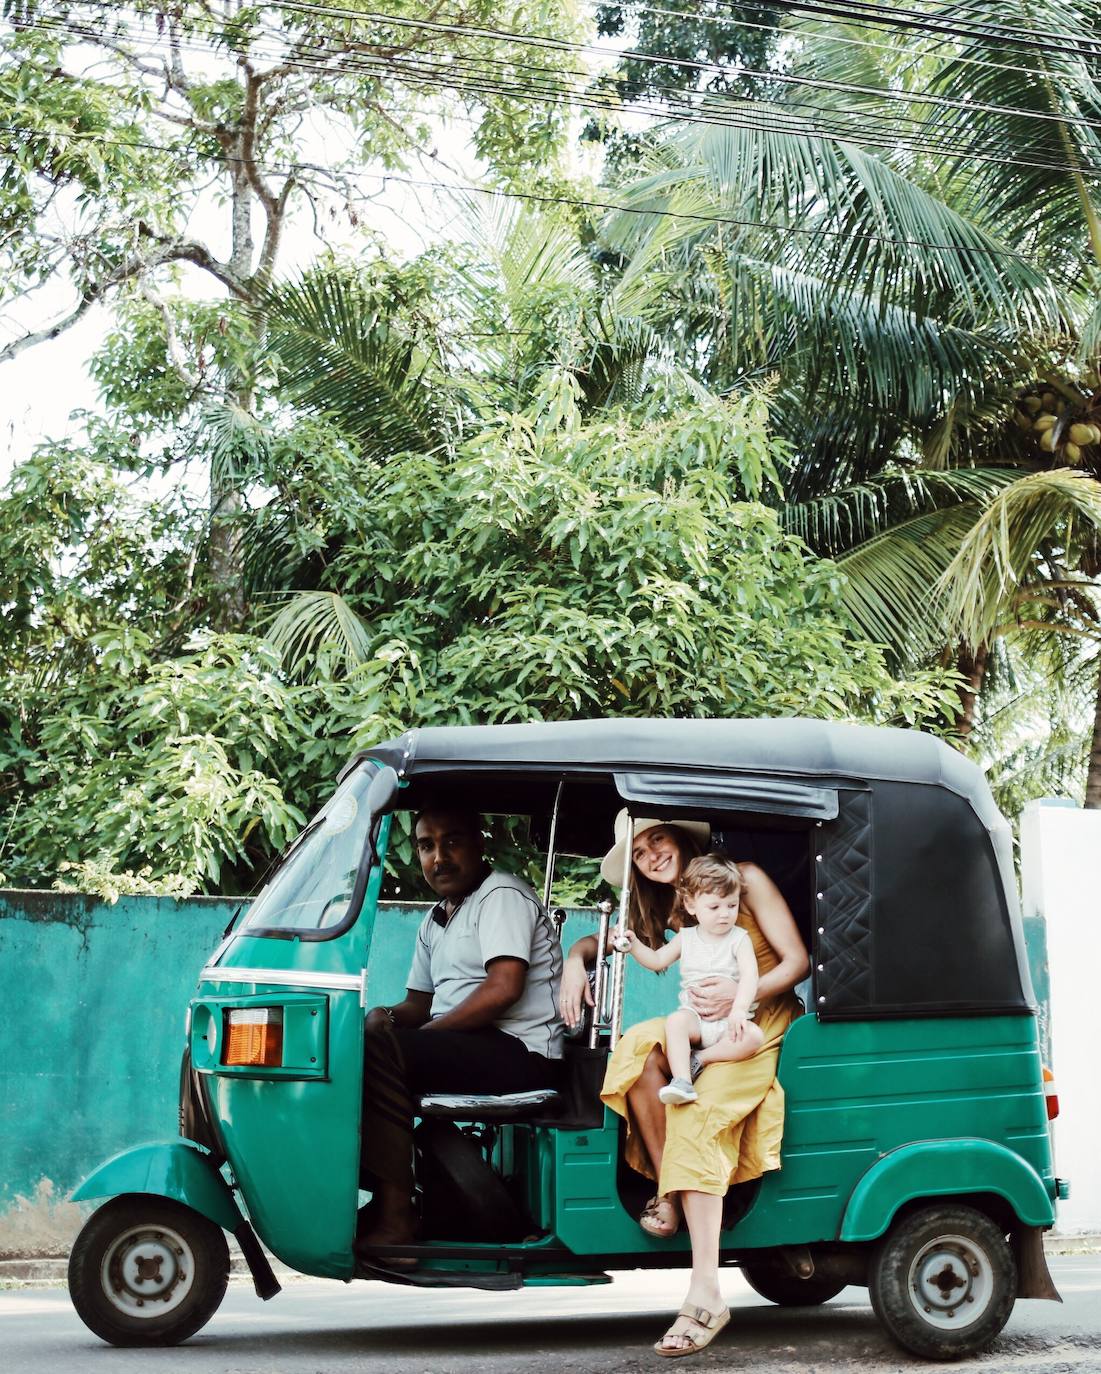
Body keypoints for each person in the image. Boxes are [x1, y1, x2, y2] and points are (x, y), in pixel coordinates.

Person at [594, 810, 809, 1357]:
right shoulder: (676, 912)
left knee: (695, 1111)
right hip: (703, 1021)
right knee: (635, 1052)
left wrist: (744, 997)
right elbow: (634, 950)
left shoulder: (746, 879)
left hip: (759, 1021)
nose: (650, 855)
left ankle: (707, 1292)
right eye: (639, 852)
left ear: (681, 840)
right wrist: (577, 960)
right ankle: (672, 1189)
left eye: (656, 840)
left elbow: (797, 961)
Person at [358, 806, 564, 1261]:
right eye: (426, 845)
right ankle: (383, 1198)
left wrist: (421, 1037)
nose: (439, 857)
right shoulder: (437, 918)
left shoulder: (501, 896)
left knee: (380, 1054)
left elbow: (503, 989)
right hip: (469, 1046)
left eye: (452, 841)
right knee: (352, 1048)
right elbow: (418, 1003)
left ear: (479, 844)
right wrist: (382, 1018)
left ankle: (397, 1217)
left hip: (520, 1052)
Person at [614, 854, 764, 1106]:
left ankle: (700, 1059)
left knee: (755, 1037)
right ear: (692, 905)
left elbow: (750, 976)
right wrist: (635, 946)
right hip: (696, 1017)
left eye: (732, 905)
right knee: (675, 1022)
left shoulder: (739, 938)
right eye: (715, 907)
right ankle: (683, 1081)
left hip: (729, 1022)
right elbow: (657, 960)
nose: (725, 914)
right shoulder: (687, 937)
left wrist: (739, 1010)